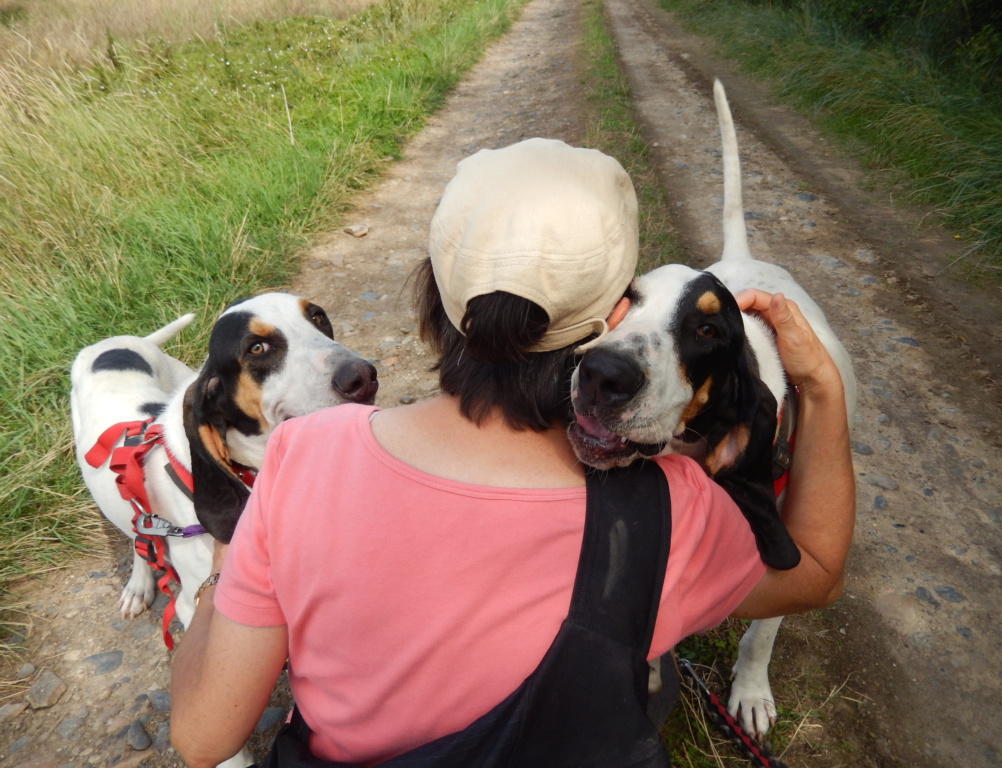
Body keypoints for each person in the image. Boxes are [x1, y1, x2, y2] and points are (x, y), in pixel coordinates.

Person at [169, 138, 855, 767]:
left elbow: (201, 738)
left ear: (435, 297)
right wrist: (820, 387)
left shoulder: (301, 455)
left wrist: (223, 571)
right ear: (612, 316)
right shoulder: (670, 504)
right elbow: (817, 572)